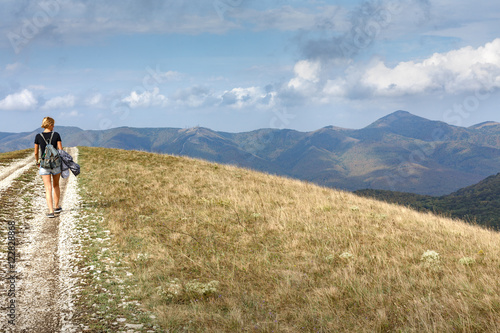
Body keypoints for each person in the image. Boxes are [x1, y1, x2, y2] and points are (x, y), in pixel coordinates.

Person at [34, 117, 63, 218]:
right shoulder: (56, 135)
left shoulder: (38, 136)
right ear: (49, 124)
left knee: (48, 188)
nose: (54, 126)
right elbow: (60, 150)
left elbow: (36, 152)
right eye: (53, 124)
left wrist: (37, 161)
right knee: (56, 185)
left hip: (44, 165)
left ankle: (51, 211)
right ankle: (57, 206)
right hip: (55, 164)